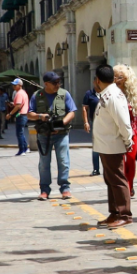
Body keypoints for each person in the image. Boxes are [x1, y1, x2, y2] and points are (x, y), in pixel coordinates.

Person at [92, 65, 134, 228]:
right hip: (105, 145)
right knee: (110, 180)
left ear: (97, 80)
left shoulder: (113, 96)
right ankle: (115, 212)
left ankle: (124, 214)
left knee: (117, 179)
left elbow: (123, 121)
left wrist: (128, 140)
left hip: (113, 145)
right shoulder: (106, 94)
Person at [28, 72, 76, 200]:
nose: (57, 85)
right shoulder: (37, 95)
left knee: (63, 161)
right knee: (44, 163)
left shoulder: (64, 94)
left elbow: (72, 112)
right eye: (54, 83)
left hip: (61, 134)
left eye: (59, 82)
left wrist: (62, 122)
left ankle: (65, 188)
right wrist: (40, 116)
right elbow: (29, 114)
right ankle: (44, 190)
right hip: (44, 135)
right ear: (46, 84)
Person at [114, 64, 137, 198]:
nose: (116, 80)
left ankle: (129, 186)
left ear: (127, 79)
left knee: (130, 160)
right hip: (116, 133)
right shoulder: (111, 94)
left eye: (120, 77)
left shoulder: (132, 96)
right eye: (114, 77)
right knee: (118, 163)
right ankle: (122, 187)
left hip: (132, 132)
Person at [7, 78, 30, 155]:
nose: (13, 86)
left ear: (20, 85)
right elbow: (18, 104)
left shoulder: (19, 93)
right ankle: (25, 148)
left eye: (15, 85)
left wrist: (10, 114)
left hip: (20, 114)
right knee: (21, 133)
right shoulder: (23, 92)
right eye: (13, 85)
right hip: (24, 114)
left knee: (19, 133)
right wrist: (12, 104)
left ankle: (22, 150)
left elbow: (18, 106)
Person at [82, 85, 102, 177]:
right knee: (96, 146)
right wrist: (86, 122)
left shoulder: (107, 92)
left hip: (108, 123)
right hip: (95, 123)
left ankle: (109, 168)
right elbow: (84, 108)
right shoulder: (89, 94)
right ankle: (96, 169)